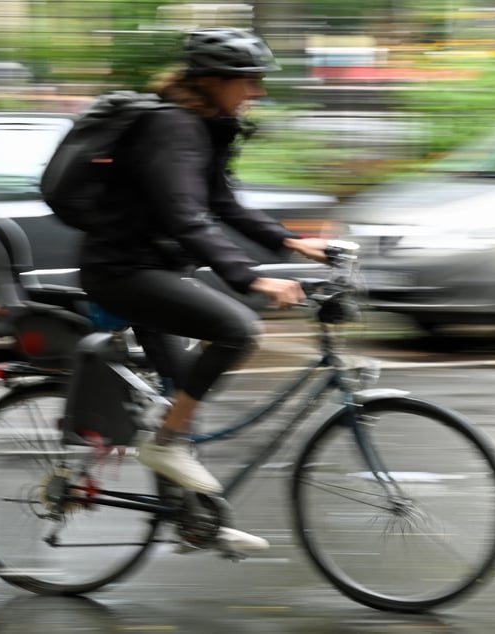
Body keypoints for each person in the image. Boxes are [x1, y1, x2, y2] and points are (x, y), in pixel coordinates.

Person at [78, 28, 328, 525]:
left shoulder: (205, 124)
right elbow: (185, 218)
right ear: (213, 81)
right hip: (123, 271)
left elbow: (221, 203)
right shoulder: (173, 128)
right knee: (238, 331)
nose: (256, 92)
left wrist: (287, 240)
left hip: (154, 268)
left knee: (182, 393)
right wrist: (251, 278)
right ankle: (166, 446)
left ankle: (190, 520)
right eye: (248, 81)